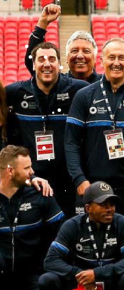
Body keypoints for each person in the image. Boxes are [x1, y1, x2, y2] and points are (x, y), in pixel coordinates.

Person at [65, 38, 124, 223]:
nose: (116, 63)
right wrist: (79, 179)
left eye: (122, 58)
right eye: (111, 57)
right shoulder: (85, 95)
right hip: (93, 185)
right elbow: (71, 143)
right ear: (102, 61)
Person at [7, 41, 88, 218]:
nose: (47, 64)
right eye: (41, 59)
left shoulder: (78, 90)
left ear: (59, 64)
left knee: (66, 232)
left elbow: (104, 88)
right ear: (33, 64)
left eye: (52, 59)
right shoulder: (15, 92)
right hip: (32, 180)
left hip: (67, 181)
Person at [0, 146, 64, 290]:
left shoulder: (40, 193)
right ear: (10, 171)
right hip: (2, 269)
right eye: (27, 168)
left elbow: (62, 235)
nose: (32, 172)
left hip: (32, 271)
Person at [25, 4, 101, 84]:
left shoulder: (107, 84)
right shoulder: (56, 84)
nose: (80, 56)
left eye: (86, 51)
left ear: (95, 58)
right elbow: (31, 61)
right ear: (67, 58)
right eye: (74, 51)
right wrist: (43, 23)